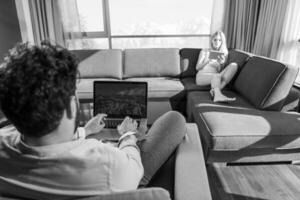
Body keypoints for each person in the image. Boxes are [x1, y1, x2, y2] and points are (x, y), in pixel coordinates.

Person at [0, 41, 186, 199]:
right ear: (70, 106)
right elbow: (134, 171)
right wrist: (128, 135)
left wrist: (85, 131)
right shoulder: (109, 165)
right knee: (175, 119)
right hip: (125, 179)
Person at [195, 31, 238, 102]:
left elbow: (221, 73)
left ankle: (216, 92)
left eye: (219, 40)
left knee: (234, 65)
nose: (217, 42)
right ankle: (218, 94)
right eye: (215, 39)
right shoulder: (205, 51)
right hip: (201, 76)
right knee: (217, 76)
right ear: (211, 40)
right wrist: (207, 61)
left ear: (222, 42)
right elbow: (197, 68)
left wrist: (220, 65)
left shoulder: (223, 54)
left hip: (215, 76)